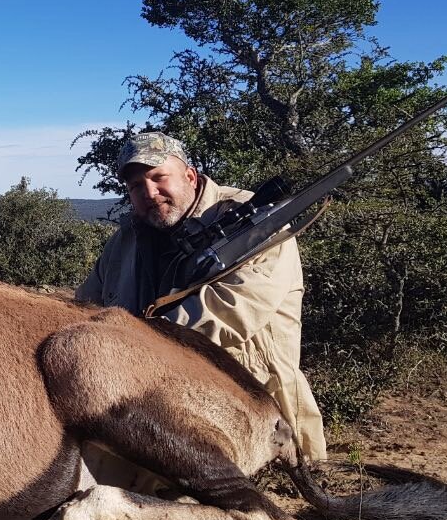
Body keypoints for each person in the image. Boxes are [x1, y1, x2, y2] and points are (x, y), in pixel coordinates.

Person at [76, 131, 328, 463]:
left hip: (256, 413)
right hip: (151, 404)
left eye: (158, 177)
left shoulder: (256, 223)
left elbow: (226, 314)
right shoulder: (127, 240)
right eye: (136, 185)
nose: (149, 193)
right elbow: (84, 308)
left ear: (190, 176)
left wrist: (127, 352)